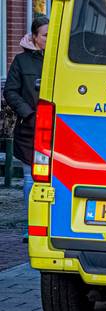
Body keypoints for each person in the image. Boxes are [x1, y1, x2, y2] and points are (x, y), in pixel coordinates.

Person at [4, 15, 48, 203]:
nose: (49, 38)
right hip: (30, 130)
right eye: (45, 35)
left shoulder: (63, 60)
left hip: (60, 128)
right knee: (31, 177)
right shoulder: (21, 61)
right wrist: (29, 114)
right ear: (35, 37)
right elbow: (11, 91)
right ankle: (30, 228)